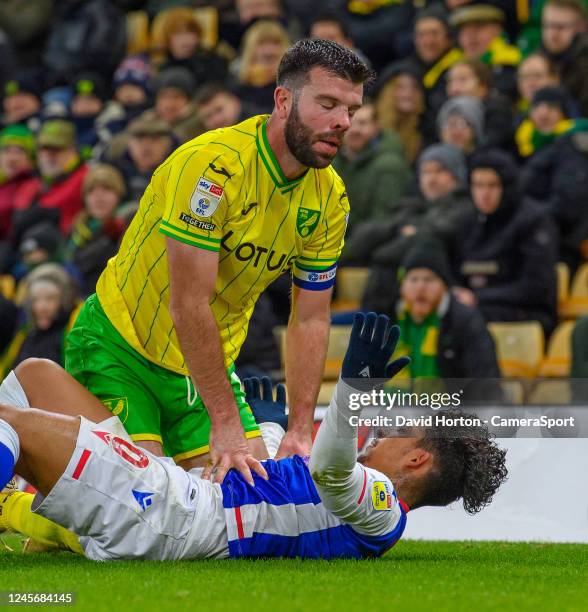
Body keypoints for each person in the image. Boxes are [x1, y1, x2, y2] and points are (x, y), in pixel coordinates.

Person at [64, 39, 370, 484]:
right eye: (327, 104)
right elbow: (188, 303)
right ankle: (13, 507)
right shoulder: (213, 168)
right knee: (145, 500)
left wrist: (300, 429)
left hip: (203, 369)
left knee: (256, 501)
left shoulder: (331, 197)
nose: (343, 122)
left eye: (352, 110)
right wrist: (225, 425)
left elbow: (309, 317)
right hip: (121, 347)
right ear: (283, 100)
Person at [0, 313, 508, 560]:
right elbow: (279, 490)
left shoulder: (382, 508)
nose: (384, 430)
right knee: (33, 375)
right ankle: (43, 516)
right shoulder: (351, 504)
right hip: (179, 498)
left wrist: (353, 388)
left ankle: (29, 510)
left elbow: (331, 469)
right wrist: (267, 426)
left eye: (401, 430)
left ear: (417, 461)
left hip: (175, 514)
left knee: (11, 423)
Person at [452, 148, 558, 336]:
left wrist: (476, 297)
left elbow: (536, 287)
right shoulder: (465, 221)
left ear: (507, 186)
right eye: (478, 185)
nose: (484, 194)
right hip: (474, 306)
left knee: (461, 319)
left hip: (527, 312)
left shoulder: (533, 221)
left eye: (492, 185)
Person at [355, 143, 472, 314]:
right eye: (426, 172)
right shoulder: (411, 207)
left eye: (439, 171)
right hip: (380, 306)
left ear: (456, 175)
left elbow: (428, 235)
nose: (431, 179)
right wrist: (397, 228)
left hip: (420, 308)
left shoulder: (464, 209)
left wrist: (396, 239)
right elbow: (360, 239)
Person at [391, 240, 502, 401]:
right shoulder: (390, 320)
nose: (420, 287)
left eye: (429, 280)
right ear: (402, 286)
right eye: (413, 279)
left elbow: (484, 386)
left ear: (445, 286)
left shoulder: (465, 321)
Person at [332, 101, 412, 234]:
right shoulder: (331, 160)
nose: (355, 129)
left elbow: (381, 223)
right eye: (350, 121)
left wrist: (343, 253)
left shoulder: (389, 166)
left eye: (363, 123)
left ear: (375, 127)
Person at [12, 119, 89, 236]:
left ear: (73, 150)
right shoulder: (34, 181)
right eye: (44, 149)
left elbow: (53, 206)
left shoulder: (84, 177)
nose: (49, 156)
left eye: (57, 149)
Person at [0, 263, 76, 375]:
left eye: (50, 298)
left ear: (64, 300)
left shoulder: (71, 330)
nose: (41, 307)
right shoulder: (25, 333)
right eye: (35, 300)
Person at [64, 164, 127, 296]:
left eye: (106, 189)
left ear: (119, 194)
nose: (98, 197)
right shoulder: (78, 228)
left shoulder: (127, 224)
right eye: (91, 191)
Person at [449, 4, 521, 100]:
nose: (471, 37)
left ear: (497, 30)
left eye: (479, 28)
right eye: (465, 31)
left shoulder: (512, 62)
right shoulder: (452, 65)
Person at [446, 59, 514, 151]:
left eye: (463, 79)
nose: (454, 87)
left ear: (483, 85)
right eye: (451, 81)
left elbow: (491, 144)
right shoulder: (448, 111)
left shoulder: (497, 110)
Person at [232, 20, 291, 114]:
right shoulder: (237, 85)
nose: (269, 51)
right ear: (250, 49)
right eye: (261, 43)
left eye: (275, 43)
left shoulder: (293, 84)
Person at [540, 0, 588, 116]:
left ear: (581, 27)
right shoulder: (537, 61)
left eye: (561, 27)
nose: (553, 34)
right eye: (548, 25)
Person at [375, 62, 427, 165]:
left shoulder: (426, 128)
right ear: (388, 92)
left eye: (415, 87)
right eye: (400, 87)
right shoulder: (373, 125)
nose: (408, 94)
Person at [0, 125, 38, 240]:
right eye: (6, 151)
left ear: (31, 158)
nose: (12, 158)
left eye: (20, 151)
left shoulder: (32, 185)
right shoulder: (4, 184)